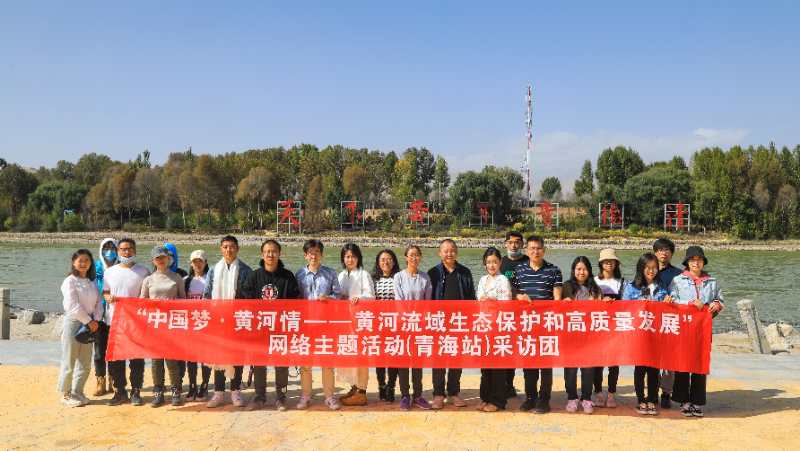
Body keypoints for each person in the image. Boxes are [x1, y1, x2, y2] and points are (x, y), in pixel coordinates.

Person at [240, 239, 300, 411]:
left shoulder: (288, 276)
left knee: (281, 364)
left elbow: (296, 301)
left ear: (279, 253)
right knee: (259, 363)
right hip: (260, 328)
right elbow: (245, 300)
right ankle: (260, 397)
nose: (270, 254)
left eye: (274, 251)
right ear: (262, 254)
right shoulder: (254, 276)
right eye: (267, 251)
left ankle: (281, 397)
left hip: (281, 328)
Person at [668, 246, 724, 418]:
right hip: (684, 328)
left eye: (699, 260)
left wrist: (716, 304)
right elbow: (672, 300)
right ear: (687, 262)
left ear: (703, 262)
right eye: (692, 260)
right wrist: (690, 303)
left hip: (703, 329)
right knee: (683, 363)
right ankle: (683, 401)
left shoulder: (712, 281)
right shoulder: (677, 280)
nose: (696, 263)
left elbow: (720, 299)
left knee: (700, 364)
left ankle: (697, 402)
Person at [514, 235, 563, 414]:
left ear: (544, 250)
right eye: (532, 248)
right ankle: (530, 397)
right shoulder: (518, 270)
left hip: (546, 324)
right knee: (528, 364)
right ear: (526, 250)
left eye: (539, 248)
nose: (535, 251)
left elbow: (557, 299)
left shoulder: (554, 270)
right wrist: (519, 296)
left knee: (545, 365)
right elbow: (512, 292)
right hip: (526, 324)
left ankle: (544, 399)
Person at [204, 235, 253, 408]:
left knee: (237, 355)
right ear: (221, 249)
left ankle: (235, 391)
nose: (228, 250)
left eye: (232, 246)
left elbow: (250, 297)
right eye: (225, 247)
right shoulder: (213, 270)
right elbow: (207, 294)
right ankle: (218, 392)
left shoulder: (246, 270)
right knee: (218, 355)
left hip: (238, 320)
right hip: (218, 320)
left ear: (237, 249)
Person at [295, 239, 342, 411]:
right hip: (305, 324)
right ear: (305, 255)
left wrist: (328, 298)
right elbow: (295, 298)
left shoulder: (330, 273)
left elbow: (339, 296)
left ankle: (329, 396)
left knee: (327, 362)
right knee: (305, 363)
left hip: (326, 324)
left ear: (321, 255)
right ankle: (306, 395)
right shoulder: (299, 274)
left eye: (316, 252)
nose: (313, 256)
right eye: (310, 253)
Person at [428, 238, 475, 409]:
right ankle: (438, 394)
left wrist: (471, 321)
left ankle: (454, 393)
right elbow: (427, 299)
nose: (449, 253)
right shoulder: (433, 273)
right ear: (439, 253)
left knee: (456, 359)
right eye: (446, 251)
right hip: (438, 322)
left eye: (452, 250)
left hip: (459, 322)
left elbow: (471, 298)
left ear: (457, 252)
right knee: (438, 359)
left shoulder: (465, 272)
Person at [621, 252, 670, 415]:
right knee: (640, 368)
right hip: (639, 335)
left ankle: (652, 399)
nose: (651, 271)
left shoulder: (662, 287)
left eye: (654, 267)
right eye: (648, 267)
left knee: (654, 369)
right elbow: (624, 309)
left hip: (656, 335)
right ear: (641, 268)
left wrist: (668, 303)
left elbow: (667, 310)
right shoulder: (631, 287)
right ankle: (641, 400)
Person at [103, 238, 150, 406]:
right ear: (118, 252)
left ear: (135, 251)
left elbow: (148, 295)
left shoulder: (143, 271)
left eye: (129, 249)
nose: (126, 252)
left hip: (136, 321)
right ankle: (120, 391)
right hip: (115, 320)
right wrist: (108, 298)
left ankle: (136, 390)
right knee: (116, 358)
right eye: (123, 249)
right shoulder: (110, 271)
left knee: (137, 358)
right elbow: (105, 292)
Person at [140, 245, 188, 407]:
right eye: (157, 258)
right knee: (156, 361)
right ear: (153, 261)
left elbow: (184, 301)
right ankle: (158, 392)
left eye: (163, 257)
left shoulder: (177, 278)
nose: (161, 260)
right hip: (154, 325)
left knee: (172, 360)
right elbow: (142, 303)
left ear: (169, 259)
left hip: (172, 325)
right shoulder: (148, 280)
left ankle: (176, 390)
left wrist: (171, 305)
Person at [58, 249, 103, 407]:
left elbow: (99, 303)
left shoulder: (92, 282)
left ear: (91, 263)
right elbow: (71, 305)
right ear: (74, 262)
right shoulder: (69, 281)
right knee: (69, 359)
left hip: (90, 324)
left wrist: (96, 320)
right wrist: (88, 321)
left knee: (85, 361)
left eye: (87, 260)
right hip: (74, 323)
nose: (83, 263)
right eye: (80, 260)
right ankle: (66, 394)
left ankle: (78, 392)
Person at [393, 245, 433, 410]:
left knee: (417, 362)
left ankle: (418, 395)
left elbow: (427, 302)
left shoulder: (425, 277)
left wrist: (420, 321)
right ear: (406, 257)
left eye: (417, 255)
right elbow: (399, 301)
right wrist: (408, 320)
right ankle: (405, 395)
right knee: (403, 361)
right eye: (411, 255)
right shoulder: (399, 277)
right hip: (403, 325)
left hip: (420, 325)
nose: (414, 258)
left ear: (420, 257)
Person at [560, 256, 600, 414]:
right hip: (570, 334)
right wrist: (563, 303)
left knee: (588, 368)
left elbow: (601, 311)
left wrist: (602, 302)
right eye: (578, 269)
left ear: (589, 271)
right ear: (573, 270)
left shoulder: (595, 288)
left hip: (589, 335)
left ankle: (586, 398)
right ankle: (572, 397)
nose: (581, 272)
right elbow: (556, 308)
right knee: (570, 368)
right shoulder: (566, 286)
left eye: (584, 269)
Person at [337, 243, 375, 407]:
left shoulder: (364, 274)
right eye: (347, 256)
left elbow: (371, 296)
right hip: (346, 321)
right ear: (343, 259)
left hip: (361, 320)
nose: (350, 259)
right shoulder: (341, 275)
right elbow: (338, 295)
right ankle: (354, 386)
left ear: (358, 258)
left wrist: (359, 298)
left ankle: (362, 391)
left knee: (361, 355)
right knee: (349, 355)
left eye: (353, 256)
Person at [476, 247, 512, 412]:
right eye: (489, 262)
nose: (491, 265)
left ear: (500, 263)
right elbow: (479, 299)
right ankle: (485, 397)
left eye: (495, 262)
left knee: (498, 366)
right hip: (484, 325)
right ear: (485, 263)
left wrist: (491, 300)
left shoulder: (503, 279)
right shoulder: (482, 279)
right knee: (485, 365)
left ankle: (498, 401)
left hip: (499, 326)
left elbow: (506, 303)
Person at [592, 248, 624, 408]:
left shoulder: (622, 282)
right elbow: (589, 303)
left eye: (612, 261)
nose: (609, 263)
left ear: (616, 263)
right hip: (597, 326)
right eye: (605, 261)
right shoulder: (593, 281)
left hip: (615, 327)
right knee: (597, 362)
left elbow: (627, 303)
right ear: (601, 264)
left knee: (614, 363)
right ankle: (598, 392)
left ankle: (611, 394)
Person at [653, 237, 682, 408]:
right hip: (651, 321)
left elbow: (683, 296)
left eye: (667, 250)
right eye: (660, 250)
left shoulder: (678, 274)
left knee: (669, 360)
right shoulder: (648, 270)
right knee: (650, 359)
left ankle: (666, 392)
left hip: (670, 321)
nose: (663, 253)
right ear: (655, 252)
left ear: (671, 253)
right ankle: (652, 391)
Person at [500, 231, 527, 399]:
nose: (514, 245)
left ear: (522, 245)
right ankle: (504, 385)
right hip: (503, 314)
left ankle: (512, 385)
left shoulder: (528, 261)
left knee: (519, 350)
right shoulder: (500, 262)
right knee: (504, 349)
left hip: (523, 314)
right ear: (505, 244)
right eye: (510, 242)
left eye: (517, 242)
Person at [372, 249, 401, 402]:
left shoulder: (399, 278)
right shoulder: (373, 279)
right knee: (380, 358)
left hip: (395, 324)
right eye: (382, 259)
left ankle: (391, 386)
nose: (386, 262)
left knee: (393, 356)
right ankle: (381, 385)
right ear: (378, 262)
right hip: (378, 324)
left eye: (389, 259)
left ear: (394, 261)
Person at [183, 249, 211, 401]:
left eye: (200, 261)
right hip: (190, 325)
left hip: (207, 323)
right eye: (195, 261)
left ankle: (204, 386)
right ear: (191, 263)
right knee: (191, 357)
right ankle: (192, 385)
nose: (198, 264)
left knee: (206, 357)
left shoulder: (211, 280)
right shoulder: (186, 280)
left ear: (206, 263)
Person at [92, 238, 117, 397]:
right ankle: (100, 381)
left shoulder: (121, 268)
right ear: (101, 250)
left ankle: (113, 381)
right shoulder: (95, 268)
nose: (109, 251)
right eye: (106, 248)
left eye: (112, 248)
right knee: (99, 351)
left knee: (114, 351)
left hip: (116, 316)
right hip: (99, 315)